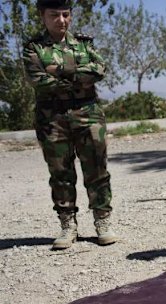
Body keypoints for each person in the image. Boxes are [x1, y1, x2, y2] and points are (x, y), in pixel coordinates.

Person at [23, 0, 117, 249]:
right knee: (61, 174)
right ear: (42, 16)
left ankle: (102, 221)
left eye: (66, 14)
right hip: (52, 119)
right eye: (55, 15)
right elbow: (38, 80)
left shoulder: (85, 44)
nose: (61, 20)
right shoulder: (33, 47)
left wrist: (58, 72)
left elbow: (98, 70)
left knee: (97, 170)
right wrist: (77, 77)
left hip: (89, 115)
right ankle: (68, 226)